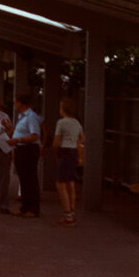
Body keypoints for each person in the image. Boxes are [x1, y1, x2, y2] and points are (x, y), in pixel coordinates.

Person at [8, 92, 43, 217]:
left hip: (29, 149)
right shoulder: (22, 117)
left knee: (30, 178)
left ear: (20, 103)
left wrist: (17, 140)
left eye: (15, 103)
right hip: (21, 149)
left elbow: (34, 136)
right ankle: (25, 206)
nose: (14, 105)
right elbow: (22, 132)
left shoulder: (31, 117)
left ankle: (33, 208)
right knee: (23, 178)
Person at [53, 97, 84, 226]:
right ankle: (72, 212)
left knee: (60, 184)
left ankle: (67, 215)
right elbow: (82, 139)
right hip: (74, 152)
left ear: (63, 109)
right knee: (71, 183)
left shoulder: (61, 122)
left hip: (65, 152)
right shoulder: (77, 123)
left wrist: (56, 153)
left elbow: (56, 142)